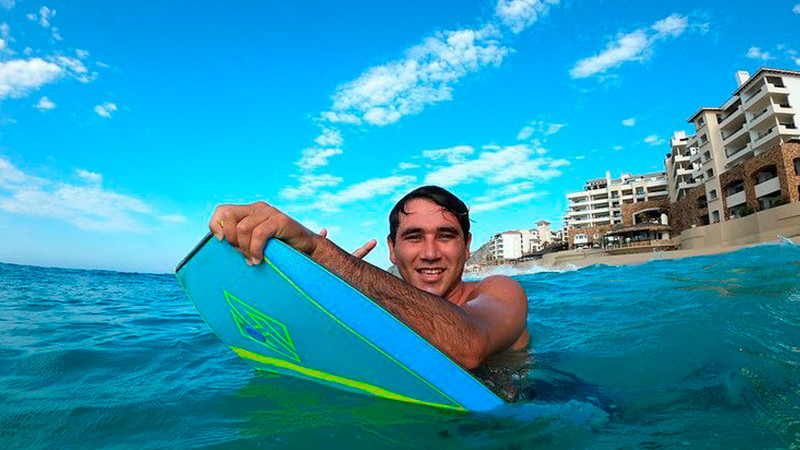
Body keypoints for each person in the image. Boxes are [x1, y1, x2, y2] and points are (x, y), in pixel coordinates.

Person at [209, 185, 529, 370]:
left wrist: (325, 255)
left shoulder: (501, 291)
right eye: (414, 237)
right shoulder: (373, 307)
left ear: (467, 246)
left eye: (445, 236)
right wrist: (323, 290)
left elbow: (468, 345)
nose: (430, 253)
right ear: (392, 249)